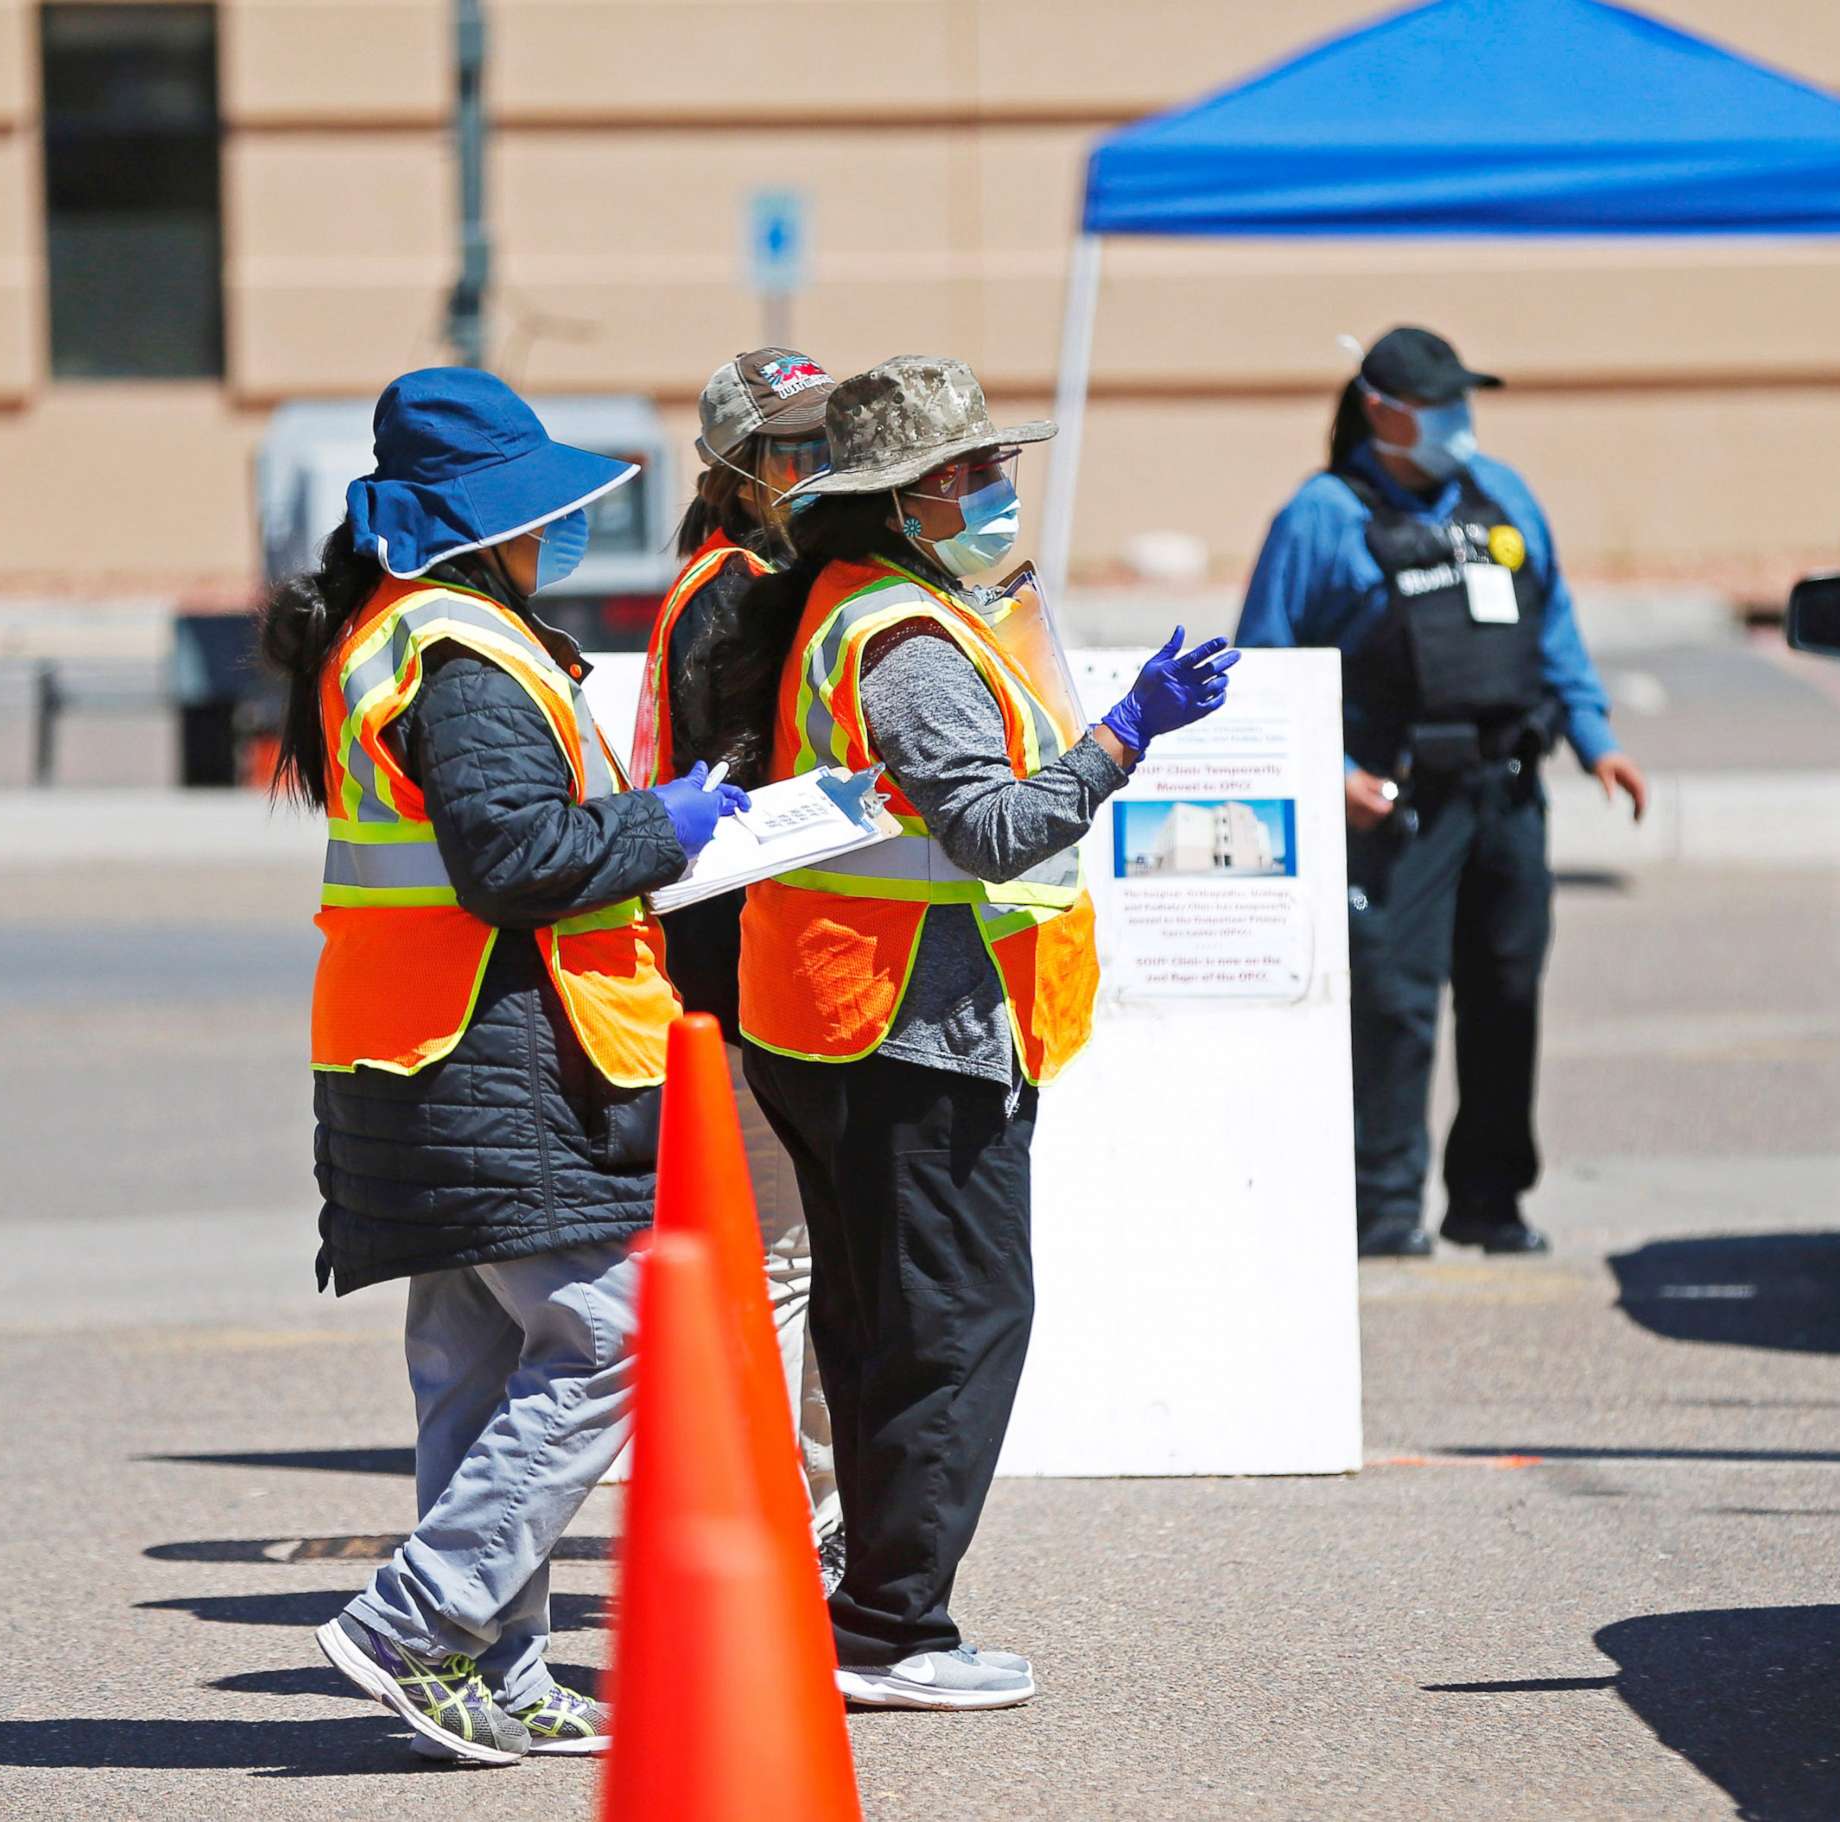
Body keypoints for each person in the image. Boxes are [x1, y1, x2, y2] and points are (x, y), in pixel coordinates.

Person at [708, 354, 1236, 1710]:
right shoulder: (904, 637)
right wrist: (1127, 736)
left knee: (881, 1317)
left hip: (836, 1018)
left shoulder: (845, 601)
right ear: (907, 498)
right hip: (911, 1030)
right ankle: (892, 1624)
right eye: (972, 474)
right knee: (957, 1319)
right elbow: (997, 826)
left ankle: (872, 1605)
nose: (999, 491)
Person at [256, 367, 747, 1765]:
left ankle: (497, 1669)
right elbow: (519, 862)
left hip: (408, 1048)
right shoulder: (464, 651)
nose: (562, 532)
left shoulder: (399, 628)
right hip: (493, 1046)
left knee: (473, 1369)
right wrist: (668, 824)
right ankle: (423, 1617)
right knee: (611, 1333)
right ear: (494, 522)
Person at [1238, 325, 1648, 1259]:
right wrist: (1327, 775)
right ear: (1380, 410)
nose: (1458, 421)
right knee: (1395, 1002)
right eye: (1436, 404)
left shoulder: (1503, 498)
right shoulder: (1321, 517)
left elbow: (1556, 630)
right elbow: (1263, 662)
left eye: (1463, 401)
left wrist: (1595, 738)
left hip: (1507, 791)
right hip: (1396, 800)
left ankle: (1490, 1201)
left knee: (1506, 994)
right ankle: (1383, 1207)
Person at [632, 346, 846, 1580]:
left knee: (796, 1250)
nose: (815, 465)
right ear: (734, 470)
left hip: (737, 956)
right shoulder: (735, 590)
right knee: (781, 1258)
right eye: (791, 447)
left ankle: (797, 1504)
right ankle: (787, 1514)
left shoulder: (751, 576)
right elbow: (739, 790)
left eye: (828, 437)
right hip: (727, 962)